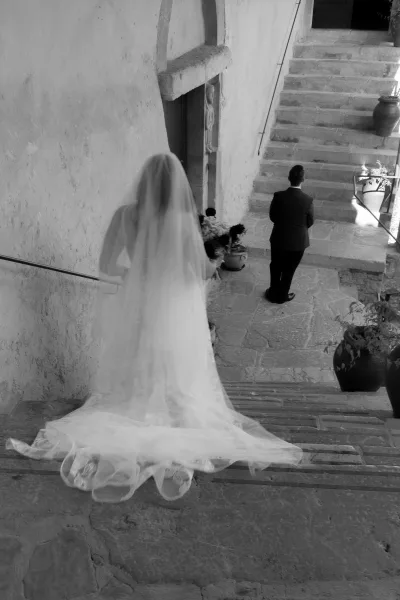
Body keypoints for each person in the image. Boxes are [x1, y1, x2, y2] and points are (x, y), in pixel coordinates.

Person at [7, 153, 302, 503]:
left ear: (143, 182)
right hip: (173, 306)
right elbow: (201, 272)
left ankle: (138, 407)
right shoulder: (180, 221)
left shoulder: (124, 216)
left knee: (139, 355)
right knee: (174, 361)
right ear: (174, 187)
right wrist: (217, 258)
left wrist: (135, 276)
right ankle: (170, 415)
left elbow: (108, 266)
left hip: (139, 303)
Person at [265, 165, 314, 304]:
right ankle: (282, 295)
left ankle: (273, 293)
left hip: (279, 238)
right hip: (298, 242)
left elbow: (272, 216)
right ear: (303, 179)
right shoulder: (308, 200)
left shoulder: (278, 196)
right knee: (289, 269)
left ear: (288, 178)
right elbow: (310, 221)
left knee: (275, 266)